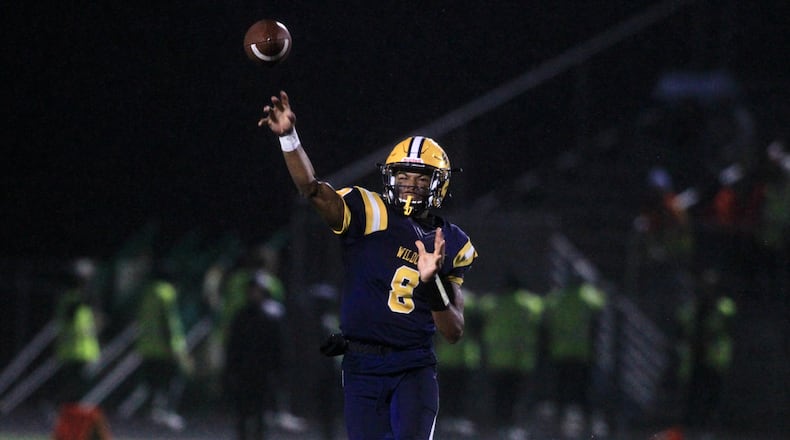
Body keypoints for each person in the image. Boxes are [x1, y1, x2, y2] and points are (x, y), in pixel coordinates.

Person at [258, 90, 478, 439]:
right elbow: (312, 190)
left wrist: (433, 279)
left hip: (413, 365)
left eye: (422, 179)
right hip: (362, 364)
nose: (411, 186)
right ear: (390, 177)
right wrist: (288, 137)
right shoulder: (370, 211)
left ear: (439, 185)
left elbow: (453, 331)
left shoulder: (452, 243)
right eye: (404, 177)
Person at [224, 270, 286, 440]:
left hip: (263, 372)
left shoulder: (273, 315)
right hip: (244, 372)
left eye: (256, 289)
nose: (253, 293)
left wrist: (278, 371)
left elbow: (278, 347)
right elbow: (233, 346)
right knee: (242, 415)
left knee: (261, 415)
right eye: (251, 289)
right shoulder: (241, 316)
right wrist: (231, 369)